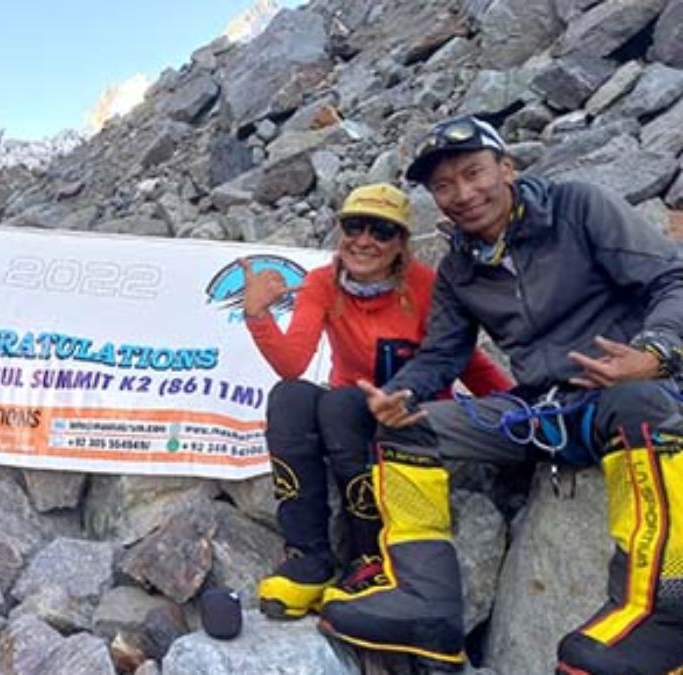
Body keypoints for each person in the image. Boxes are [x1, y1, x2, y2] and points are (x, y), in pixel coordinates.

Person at [316, 115, 683, 673]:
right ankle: (425, 606)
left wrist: (654, 354)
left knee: (644, 407)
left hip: (622, 389)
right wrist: (400, 393)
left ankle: (663, 614)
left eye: (474, 172)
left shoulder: (579, 207)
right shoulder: (460, 267)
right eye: (444, 186)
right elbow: (443, 354)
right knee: (404, 429)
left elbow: (671, 281)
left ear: (507, 167)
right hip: (543, 410)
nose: (463, 194)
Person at [242, 183, 512, 621]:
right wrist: (258, 314)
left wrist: (514, 409)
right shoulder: (321, 283)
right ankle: (308, 559)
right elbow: (293, 366)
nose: (364, 240)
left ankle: (369, 555)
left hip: (409, 420)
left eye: (382, 231)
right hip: (347, 412)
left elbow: (463, 358)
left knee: (340, 405)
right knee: (290, 397)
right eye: (354, 226)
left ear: (402, 242)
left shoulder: (427, 286)